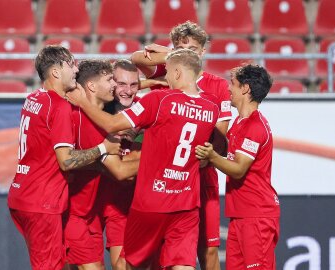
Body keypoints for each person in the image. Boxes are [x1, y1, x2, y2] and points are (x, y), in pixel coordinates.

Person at [66, 49, 222, 270]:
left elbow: (112, 126)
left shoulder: (157, 101)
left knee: (127, 264)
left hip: (152, 201)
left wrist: (83, 102)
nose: (165, 78)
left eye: (167, 72)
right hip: (186, 202)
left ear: (177, 73)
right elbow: (219, 142)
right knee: (183, 264)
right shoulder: (212, 106)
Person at [7, 45, 120, 270]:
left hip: (22, 194)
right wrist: (102, 148)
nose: (76, 70)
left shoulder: (33, 98)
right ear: (56, 72)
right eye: (71, 64)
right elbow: (66, 161)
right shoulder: (58, 107)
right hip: (43, 201)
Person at [131, 21, 232, 270]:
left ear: (204, 51)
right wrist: (173, 56)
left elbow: (221, 134)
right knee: (158, 251)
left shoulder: (218, 85)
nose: (186, 51)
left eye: (193, 48)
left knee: (208, 250)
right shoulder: (169, 73)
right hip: (163, 179)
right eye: (180, 46)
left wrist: (202, 157)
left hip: (200, 178)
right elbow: (134, 58)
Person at [195, 64, 280, 270]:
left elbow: (239, 168)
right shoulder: (239, 122)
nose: (228, 90)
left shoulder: (254, 126)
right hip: (240, 214)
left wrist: (211, 156)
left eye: (232, 84)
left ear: (245, 89)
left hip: (256, 216)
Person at [65, 59, 140, 270]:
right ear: (91, 86)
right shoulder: (81, 120)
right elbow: (120, 172)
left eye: (132, 84)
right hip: (75, 214)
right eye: (111, 80)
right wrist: (162, 157)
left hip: (94, 213)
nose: (116, 86)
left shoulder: (107, 118)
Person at [101, 59, 142, 270]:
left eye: (133, 84)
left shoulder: (146, 113)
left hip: (134, 205)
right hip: (102, 203)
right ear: (111, 83)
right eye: (122, 84)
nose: (128, 90)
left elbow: (132, 168)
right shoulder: (98, 109)